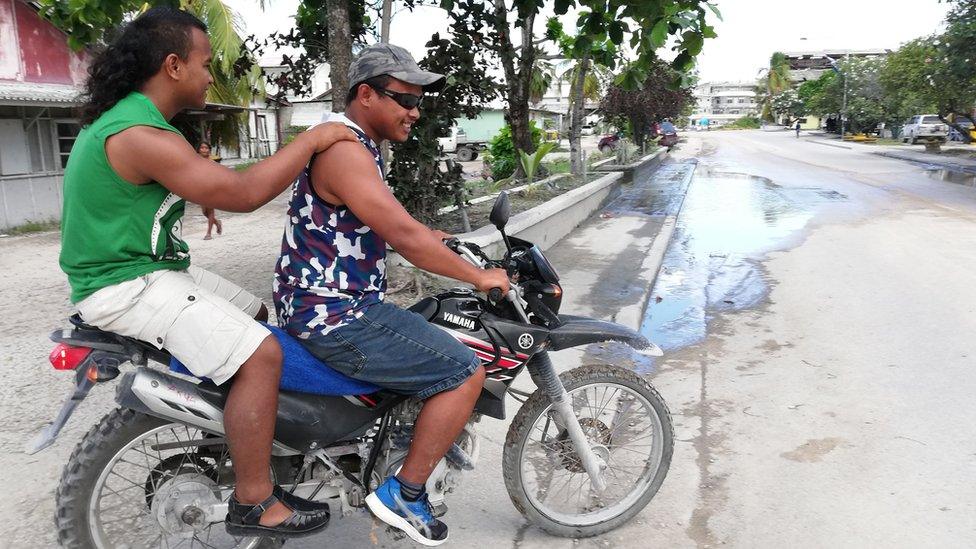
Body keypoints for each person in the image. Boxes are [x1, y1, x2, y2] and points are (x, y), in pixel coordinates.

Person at [58, 7, 356, 538]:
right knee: (262, 355)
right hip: (126, 284)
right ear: (173, 65)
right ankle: (253, 501)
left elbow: (193, 182)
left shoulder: (140, 124)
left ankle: (245, 437)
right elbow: (243, 193)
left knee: (259, 317)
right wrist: (313, 139)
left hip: (148, 270)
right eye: (204, 63)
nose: (210, 75)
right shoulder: (139, 133)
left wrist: (198, 186)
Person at [272, 43, 510, 546]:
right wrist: (479, 277)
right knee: (465, 370)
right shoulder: (345, 152)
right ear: (366, 94)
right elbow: (405, 239)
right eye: (404, 99)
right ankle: (405, 492)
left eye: (417, 101)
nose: (414, 111)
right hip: (337, 315)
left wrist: (446, 241)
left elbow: (391, 222)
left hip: (322, 305)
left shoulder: (357, 147)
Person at [196, 141, 223, 239]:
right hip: (200, 188)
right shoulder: (196, 161)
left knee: (210, 210)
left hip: (211, 188)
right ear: (198, 150)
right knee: (204, 212)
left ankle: (209, 233)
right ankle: (217, 223)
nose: (204, 150)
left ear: (209, 150)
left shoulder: (212, 162)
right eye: (202, 148)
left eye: (206, 148)